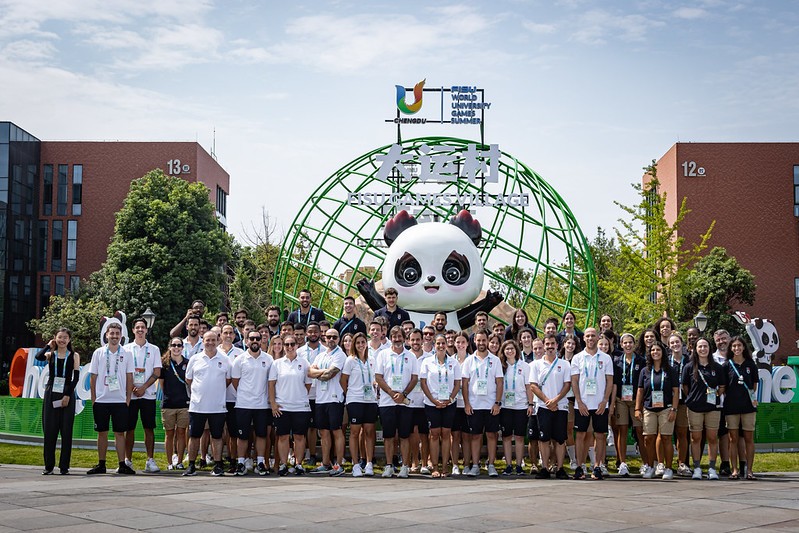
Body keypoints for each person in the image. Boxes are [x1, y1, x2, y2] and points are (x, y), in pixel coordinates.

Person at [88, 322, 135, 475]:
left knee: (120, 433)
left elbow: (129, 377)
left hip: (120, 401)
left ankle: (122, 464)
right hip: (101, 400)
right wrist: (94, 398)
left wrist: (128, 398)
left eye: (117, 334)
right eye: (112, 333)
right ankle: (101, 464)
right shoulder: (98, 353)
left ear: (121, 336)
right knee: (102, 432)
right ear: (106, 335)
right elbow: (93, 377)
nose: (114, 336)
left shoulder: (127, 353)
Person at [183, 331, 232, 477]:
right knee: (194, 436)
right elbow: (189, 380)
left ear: (218, 341)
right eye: (207, 340)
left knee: (217, 436)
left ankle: (217, 465)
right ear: (202, 341)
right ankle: (191, 465)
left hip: (217, 406)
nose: (210, 343)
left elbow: (228, 380)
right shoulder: (195, 359)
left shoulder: (225, 359)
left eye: (213, 340)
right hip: (198, 406)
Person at [374, 326, 419, 478]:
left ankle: (405, 467)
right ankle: (389, 465)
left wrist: (403, 394)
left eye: (400, 336)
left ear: (404, 338)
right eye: (394, 337)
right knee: (388, 436)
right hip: (387, 401)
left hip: (405, 402)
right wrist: (392, 393)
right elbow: (378, 377)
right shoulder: (383, 354)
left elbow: (414, 378)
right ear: (390, 338)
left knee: (404, 436)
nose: (397, 339)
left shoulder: (410, 356)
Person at [570, 328, 614, 480]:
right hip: (581, 404)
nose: (590, 338)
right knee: (581, 435)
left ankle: (597, 467)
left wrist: (605, 401)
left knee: (600, 435)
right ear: (584, 338)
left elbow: (610, 382)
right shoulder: (577, 358)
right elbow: (574, 381)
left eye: (593, 336)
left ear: (598, 338)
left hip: (600, 404)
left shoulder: (606, 358)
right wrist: (579, 401)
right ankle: (580, 467)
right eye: (587, 336)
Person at [36, 328, 80, 475]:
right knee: (50, 430)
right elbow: (38, 356)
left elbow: (76, 378)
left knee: (66, 431)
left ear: (69, 340)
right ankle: (48, 466)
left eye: (65, 337)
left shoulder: (74, 356)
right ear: (55, 338)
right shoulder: (51, 355)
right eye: (60, 337)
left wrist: (67, 395)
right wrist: (48, 345)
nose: (62, 340)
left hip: (67, 393)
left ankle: (64, 467)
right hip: (51, 392)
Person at [461, 329, 504, 477]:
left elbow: (499, 383)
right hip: (474, 405)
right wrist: (467, 404)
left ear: (487, 341)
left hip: (491, 405)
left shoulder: (495, 360)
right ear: (474, 341)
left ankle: (491, 465)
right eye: (478, 340)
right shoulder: (468, 361)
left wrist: (497, 403)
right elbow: (464, 384)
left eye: (483, 340)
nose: (481, 343)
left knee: (492, 435)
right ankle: (475, 465)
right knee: (475, 436)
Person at [269, 334, 313, 476]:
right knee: (283, 436)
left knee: (299, 436)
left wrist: (298, 396)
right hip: (282, 407)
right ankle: (283, 464)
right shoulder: (277, 363)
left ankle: (298, 463)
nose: (289, 347)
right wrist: (273, 404)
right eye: (286, 344)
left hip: (301, 407)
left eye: (292, 344)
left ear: (297, 345)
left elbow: (307, 385)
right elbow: (271, 384)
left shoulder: (304, 363)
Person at [529, 333, 571, 479]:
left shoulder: (564, 364)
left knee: (560, 439)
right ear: (543, 346)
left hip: (561, 406)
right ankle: (545, 468)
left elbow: (567, 385)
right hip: (543, 406)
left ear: (557, 345)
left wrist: (556, 401)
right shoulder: (536, 365)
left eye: (552, 344)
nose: (550, 347)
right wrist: (548, 401)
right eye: (547, 344)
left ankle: (559, 468)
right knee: (544, 438)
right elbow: (533, 386)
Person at [123, 317, 162, 473]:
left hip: (148, 395)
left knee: (149, 428)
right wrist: (133, 388)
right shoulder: (125, 349)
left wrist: (144, 387)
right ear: (133, 330)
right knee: (129, 428)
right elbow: (123, 371)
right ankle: (127, 460)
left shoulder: (154, 349)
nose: (140, 330)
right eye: (137, 327)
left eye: (142, 327)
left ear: (146, 330)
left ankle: (150, 460)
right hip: (130, 395)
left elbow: (157, 372)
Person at [231, 331, 273, 476]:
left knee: (261, 435)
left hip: (262, 405)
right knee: (242, 436)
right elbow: (235, 382)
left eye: (257, 338)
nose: (255, 341)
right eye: (252, 338)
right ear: (246, 341)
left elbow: (271, 382)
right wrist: (246, 394)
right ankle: (241, 463)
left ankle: (260, 463)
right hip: (243, 404)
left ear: (262, 340)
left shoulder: (269, 359)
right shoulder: (240, 359)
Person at [635, 343, 679, 480]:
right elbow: (640, 390)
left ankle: (668, 468)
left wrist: (674, 409)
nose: (655, 352)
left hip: (666, 408)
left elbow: (676, 391)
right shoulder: (645, 371)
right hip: (649, 408)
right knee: (648, 437)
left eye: (658, 350)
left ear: (663, 352)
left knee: (666, 437)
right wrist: (637, 408)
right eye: (653, 350)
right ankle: (650, 465)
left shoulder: (670, 370)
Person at [682, 338, 724, 480]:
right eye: (700, 346)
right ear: (695, 349)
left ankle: (712, 468)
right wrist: (695, 397)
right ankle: (697, 467)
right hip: (694, 407)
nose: (703, 349)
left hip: (713, 407)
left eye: (705, 346)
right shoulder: (689, 367)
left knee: (712, 438)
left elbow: (722, 386)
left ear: (709, 348)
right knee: (696, 438)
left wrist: (715, 395)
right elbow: (685, 387)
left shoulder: (717, 367)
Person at [307, 328, 348, 476]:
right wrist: (319, 373)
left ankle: (339, 464)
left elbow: (329, 375)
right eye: (328, 336)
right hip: (320, 399)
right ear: (324, 338)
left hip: (334, 398)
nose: (331, 339)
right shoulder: (321, 355)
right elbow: (309, 372)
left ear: (338, 339)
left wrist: (317, 373)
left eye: (334, 337)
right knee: (323, 432)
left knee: (336, 431)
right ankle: (325, 463)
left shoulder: (340, 355)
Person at [420, 334, 461, 478]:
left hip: (449, 403)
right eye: (438, 343)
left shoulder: (454, 363)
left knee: (446, 434)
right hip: (432, 403)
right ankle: (435, 467)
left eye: (443, 343)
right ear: (434, 345)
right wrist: (433, 400)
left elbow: (457, 383)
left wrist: (450, 399)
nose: (441, 346)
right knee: (434, 434)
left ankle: (445, 467)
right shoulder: (427, 361)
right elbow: (423, 383)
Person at [341, 332, 377, 477]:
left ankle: (368, 463)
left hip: (370, 400)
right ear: (354, 345)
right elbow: (343, 381)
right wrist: (349, 393)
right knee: (355, 432)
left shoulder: (372, 359)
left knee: (369, 431)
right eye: (358, 343)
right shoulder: (350, 360)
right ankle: (355, 464)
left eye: (363, 342)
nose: (361, 345)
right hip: (355, 400)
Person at [723, 336, 759, 480]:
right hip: (731, 406)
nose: (737, 348)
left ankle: (749, 470)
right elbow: (724, 387)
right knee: (733, 439)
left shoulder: (751, 365)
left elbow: (754, 386)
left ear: (744, 347)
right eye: (734, 346)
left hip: (748, 407)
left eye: (739, 346)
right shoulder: (727, 365)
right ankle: (735, 470)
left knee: (749, 438)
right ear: (730, 348)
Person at [613, 333, 646, 477]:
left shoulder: (641, 361)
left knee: (640, 432)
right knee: (622, 430)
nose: (628, 345)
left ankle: (646, 464)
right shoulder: (617, 361)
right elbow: (614, 383)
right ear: (621, 345)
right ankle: (622, 463)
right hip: (621, 399)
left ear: (634, 344)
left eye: (630, 342)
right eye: (625, 343)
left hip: (636, 400)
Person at [497, 340, 531, 476]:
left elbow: (529, 386)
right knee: (506, 437)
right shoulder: (500, 366)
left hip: (521, 406)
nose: (509, 351)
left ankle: (518, 465)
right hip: (505, 406)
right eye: (507, 349)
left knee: (519, 437)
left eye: (512, 349)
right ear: (503, 352)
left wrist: (530, 404)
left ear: (516, 350)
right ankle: (508, 465)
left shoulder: (524, 366)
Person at [159, 337, 190, 470]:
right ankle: (170, 462)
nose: (176, 348)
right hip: (168, 404)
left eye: (179, 345)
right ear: (169, 347)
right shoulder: (164, 363)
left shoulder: (188, 363)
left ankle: (180, 461)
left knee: (182, 432)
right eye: (174, 345)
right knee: (169, 434)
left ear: (182, 347)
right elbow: (162, 384)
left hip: (184, 403)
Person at [219, 324, 244, 473]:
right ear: (220, 335)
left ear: (234, 336)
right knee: (218, 433)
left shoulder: (240, 353)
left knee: (233, 433)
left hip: (234, 399)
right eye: (225, 333)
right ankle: (218, 460)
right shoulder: (214, 352)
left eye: (231, 333)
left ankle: (233, 460)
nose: (228, 335)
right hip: (217, 399)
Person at [406, 328, 432, 474]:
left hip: (425, 401)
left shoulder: (429, 358)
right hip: (409, 402)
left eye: (418, 339)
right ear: (409, 341)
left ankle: (424, 464)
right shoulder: (405, 356)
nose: (415, 342)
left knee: (424, 434)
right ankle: (414, 462)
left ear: (422, 340)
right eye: (413, 340)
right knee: (412, 433)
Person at [667, 333, 691, 477]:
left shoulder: (689, 361)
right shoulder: (665, 361)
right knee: (665, 434)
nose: (675, 345)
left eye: (677, 342)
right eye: (672, 343)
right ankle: (665, 463)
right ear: (669, 346)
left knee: (682, 433)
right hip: (666, 402)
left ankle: (682, 463)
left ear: (682, 343)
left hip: (683, 402)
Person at [450, 331, 472, 475]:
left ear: (468, 343)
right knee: (454, 436)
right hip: (453, 403)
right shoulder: (450, 360)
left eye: (463, 342)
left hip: (468, 403)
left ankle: (467, 464)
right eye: (458, 342)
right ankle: (455, 464)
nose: (460, 345)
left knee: (466, 436)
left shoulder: (472, 360)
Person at [712, 329, 733, 476]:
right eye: (718, 340)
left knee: (737, 435)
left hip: (736, 402)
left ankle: (738, 464)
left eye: (724, 339)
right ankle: (723, 464)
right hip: (717, 403)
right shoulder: (711, 359)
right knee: (721, 433)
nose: (722, 342)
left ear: (730, 339)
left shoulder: (737, 357)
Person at [559, 334, 579, 468]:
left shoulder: (578, 361)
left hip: (575, 400)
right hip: (561, 399)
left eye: (573, 344)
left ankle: (576, 459)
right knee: (563, 430)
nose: (570, 346)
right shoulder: (558, 361)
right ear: (564, 345)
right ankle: (569, 459)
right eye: (568, 343)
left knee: (572, 430)